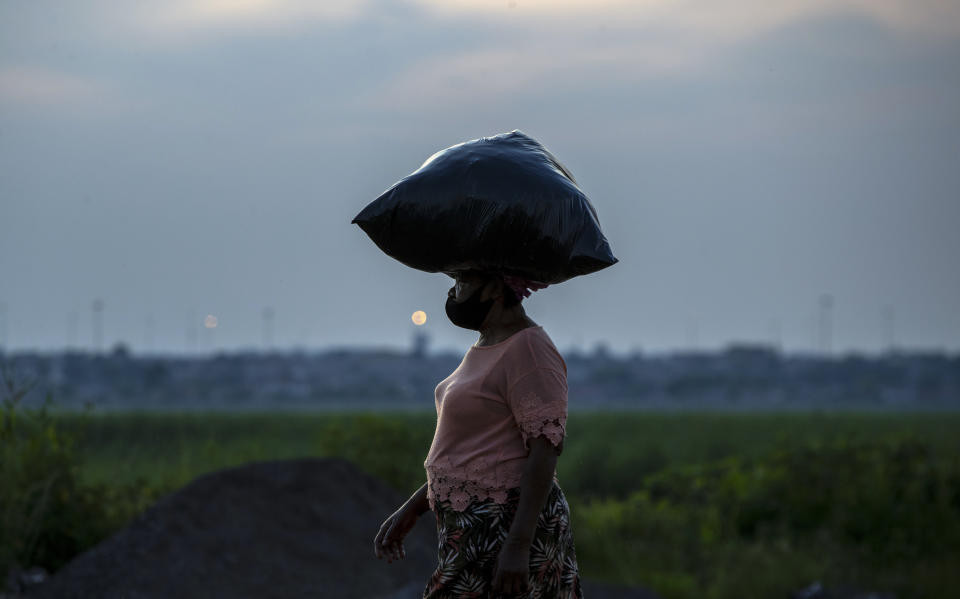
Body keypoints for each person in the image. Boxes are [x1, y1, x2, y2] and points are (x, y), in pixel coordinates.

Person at [374, 270, 583, 598]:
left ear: (496, 289)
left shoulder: (529, 349)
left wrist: (517, 547)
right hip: (468, 527)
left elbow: (545, 450)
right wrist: (415, 507)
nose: (454, 292)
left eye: (463, 282)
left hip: (503, 525)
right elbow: (471, 450)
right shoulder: (488, 344)